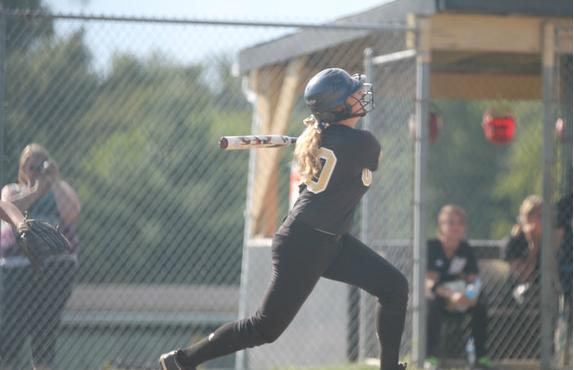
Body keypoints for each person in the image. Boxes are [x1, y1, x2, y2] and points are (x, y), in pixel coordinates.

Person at [159, 68, 409, 370]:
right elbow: (371, 158)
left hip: (329, 241)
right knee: (263, 329)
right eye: (352, 92)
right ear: (339, 107)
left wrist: (321, 134)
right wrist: (324, 136)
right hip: (305, 243)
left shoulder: (323, 140)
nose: (360, 93)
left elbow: (336, 151)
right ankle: (183, 360)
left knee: (394, 286)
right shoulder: (362, 144)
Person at [0, 143, 80, 370]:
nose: (36, 169)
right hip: (18, 267)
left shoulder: (59, 188)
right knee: (12, 326)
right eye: (30, 165)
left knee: (45, 325)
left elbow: (72, 213)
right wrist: (35, 191)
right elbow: (6, 210)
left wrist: (53, 182)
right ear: (22, 168)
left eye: (40, 164)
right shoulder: (13, 190)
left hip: (54, 266)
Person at [425, 205, 492, 370]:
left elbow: (473, 280)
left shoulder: (466, 249)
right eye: (450, 222)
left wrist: (469, 296)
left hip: (461, 296)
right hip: (439, 296)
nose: (456, 227)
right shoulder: (432, 247)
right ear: (441, 226)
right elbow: (430, 283)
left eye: (460, 223)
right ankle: (430, 357)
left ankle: (480, 357)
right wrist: (452, 295)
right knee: (434, 305)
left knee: (480, 306)